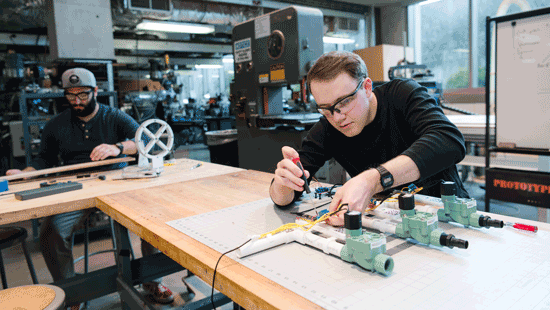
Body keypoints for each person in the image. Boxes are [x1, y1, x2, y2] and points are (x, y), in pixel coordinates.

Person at [6, 68, 175, 307]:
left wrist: (118, 147)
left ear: (95, 91)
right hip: (77, 186)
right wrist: (23, 174)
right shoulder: (56, 125)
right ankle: (71, 291)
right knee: (51, 231)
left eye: (83, 94)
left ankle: (152, 280)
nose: (77, 101)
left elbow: (145, 139)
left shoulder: (113, 116)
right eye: (71, 95)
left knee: (154, 220)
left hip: (118, 183)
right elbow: (43, 160)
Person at [269, 51, 469, 226]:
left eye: (344, 102)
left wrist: (374, 179)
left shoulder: (402, 95)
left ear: (366, 87)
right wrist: (283, 186)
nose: (337, 117)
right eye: (326, 109)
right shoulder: (328, 127)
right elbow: (284, 196)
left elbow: (449, 140)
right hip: (391, 222)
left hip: (449, 217)